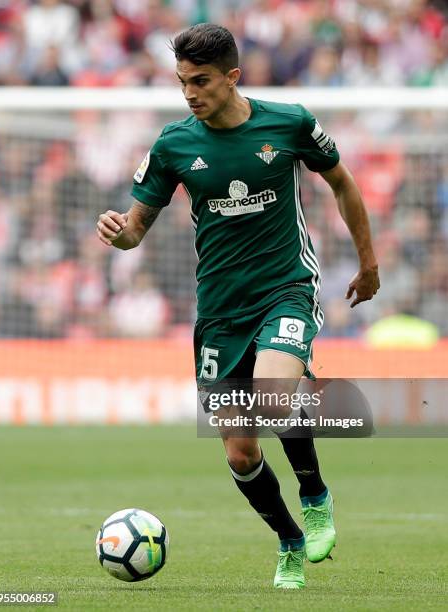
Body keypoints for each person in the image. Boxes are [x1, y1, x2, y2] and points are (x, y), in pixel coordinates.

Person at [96, 23, 380, 590]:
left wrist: (368, 263)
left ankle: (316, 495)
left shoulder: (291, 122)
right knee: (241, 452)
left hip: (286, 287)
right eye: (182, 82)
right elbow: (136, 231)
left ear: (232, 76)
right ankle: (289, 541)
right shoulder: (173, 146)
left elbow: (344, 183)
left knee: (275, 398)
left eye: (200, 81)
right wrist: (118, 232)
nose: (190, 93)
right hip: (220, 311)